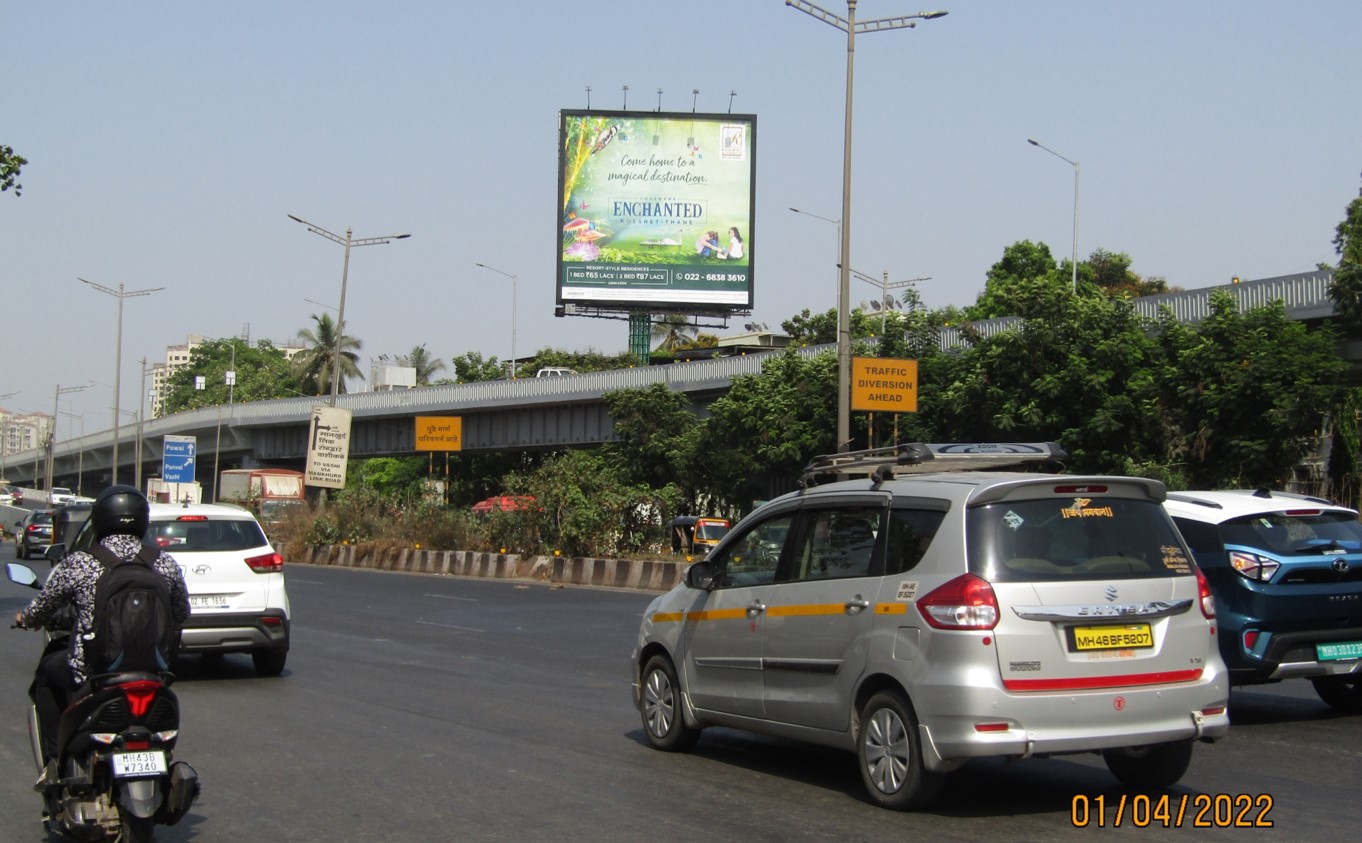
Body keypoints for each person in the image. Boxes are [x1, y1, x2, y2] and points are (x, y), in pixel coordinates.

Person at [14, 485, 190, 762]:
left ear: (100, 519)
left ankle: (53, 764)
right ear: (143, 520)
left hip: (95, 672)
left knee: (47, 674)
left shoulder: (81, 563)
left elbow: (44, 606)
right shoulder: (164, 562)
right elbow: (181, 613)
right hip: (154, 672)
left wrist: (26, 619)